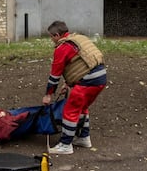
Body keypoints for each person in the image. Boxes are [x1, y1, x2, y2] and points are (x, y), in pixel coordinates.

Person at [42, 21, 106, 155]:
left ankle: (65, 145)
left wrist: (48, 95)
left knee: (70, 111)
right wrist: (67, 84)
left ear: (57, 35)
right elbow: (80, 63)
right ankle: (84, 138)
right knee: (82, 108)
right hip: (100, 79)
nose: (51, 40)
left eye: (51, 37)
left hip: (87, 82)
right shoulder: (79, 39)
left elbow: (55, 75)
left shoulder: (62, 48)